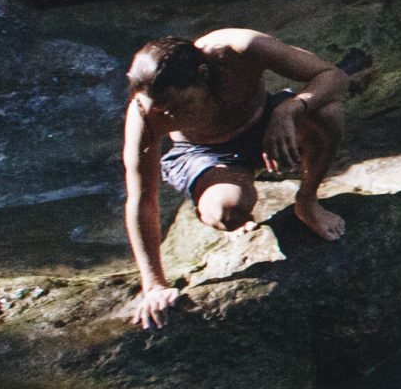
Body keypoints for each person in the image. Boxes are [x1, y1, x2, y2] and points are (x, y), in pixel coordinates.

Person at [121, 29, 351, 329]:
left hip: (264, 121)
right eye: (160, 111)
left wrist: (290, 109)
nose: (169, 117)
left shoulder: (241, 50)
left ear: (202, 75)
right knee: (227, 212)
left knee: (328, 113)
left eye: (180, 106)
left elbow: (333, 76)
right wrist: (153, 285)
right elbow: (142, 199)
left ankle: (306, 202)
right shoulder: (144, 114)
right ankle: (227, 198)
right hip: (206, 154)